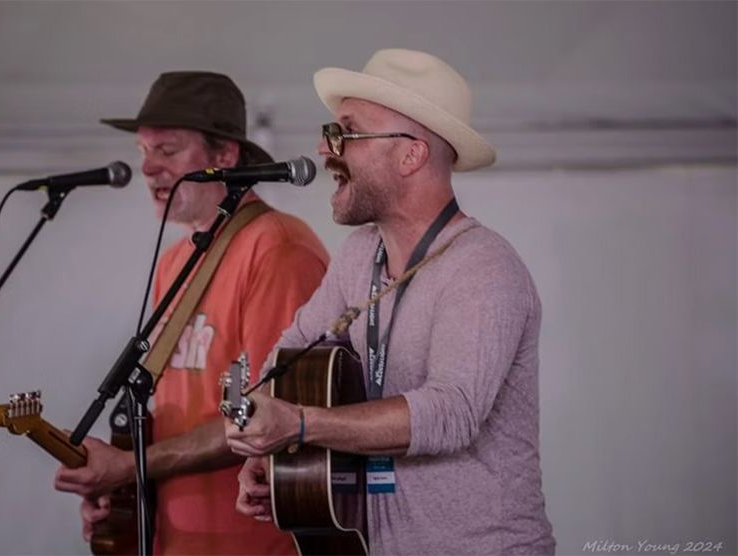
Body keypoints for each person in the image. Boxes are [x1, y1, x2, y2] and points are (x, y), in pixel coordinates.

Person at [225, 49, 556, 555]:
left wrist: (300, 425)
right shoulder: (360, 254)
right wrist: (270, 452)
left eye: (346, 132)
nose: (323, 147)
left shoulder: (484, 265)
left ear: (410, 156)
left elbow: (451, 414)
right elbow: (291, 352)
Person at [54, 71, 328, 555]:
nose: (148, 168)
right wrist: (121, 490)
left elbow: (267, 415)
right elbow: (174, 411)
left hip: (254, 544)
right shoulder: (174, 262)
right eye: (144, 151)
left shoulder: (278, 248)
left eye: (167, 150)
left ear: (225, 156)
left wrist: (129, 467)